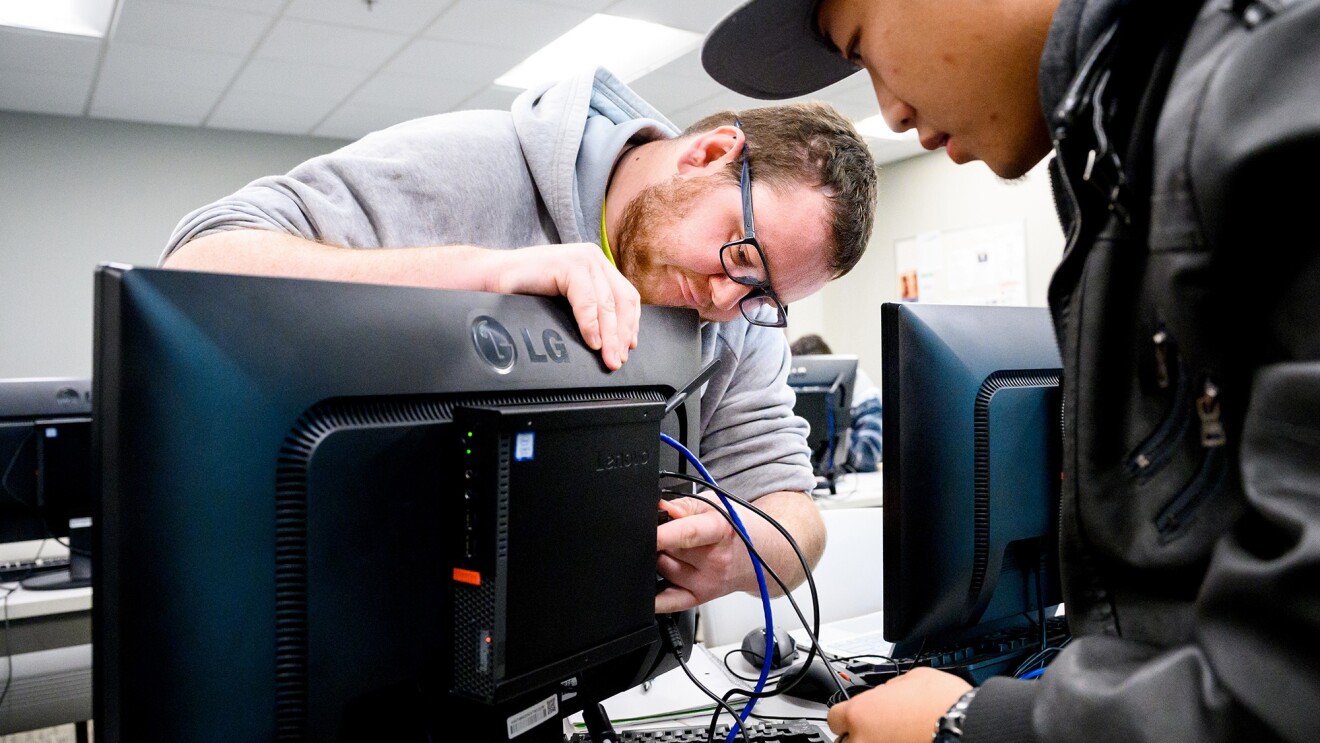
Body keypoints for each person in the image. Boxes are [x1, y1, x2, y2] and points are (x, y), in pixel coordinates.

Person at [703, 1, 1320, 742]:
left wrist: (974, 721)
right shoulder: (1120, 145)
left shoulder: (1269, 82)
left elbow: (1286, 689)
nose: (891, 113)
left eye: (863, 50)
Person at [159, 66, 879, 619]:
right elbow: (194, 268)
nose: (728, 300)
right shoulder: (480, 163)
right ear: (712, 154)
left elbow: (796, 516)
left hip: (551, 661)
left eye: (763, 297)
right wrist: (488, 273)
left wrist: (746, 551)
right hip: (342, 596)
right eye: (741, 255)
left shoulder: (736, 321)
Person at [788, 333, 882, 473]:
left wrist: (829, 426)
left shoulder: (863, 393)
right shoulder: (785, 397)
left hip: (853, 489)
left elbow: (868, 454)